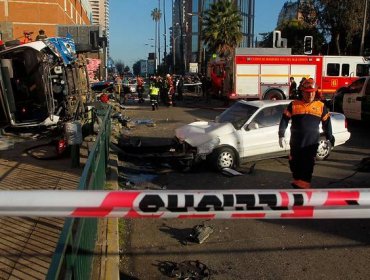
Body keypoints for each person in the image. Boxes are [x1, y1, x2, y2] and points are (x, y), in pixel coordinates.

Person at [278, 78, 335, 189]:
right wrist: (281, 134)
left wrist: (330, 138)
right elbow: (284, 119)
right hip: (296, 143)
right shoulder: (294, 105)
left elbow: (327, 123)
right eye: (307, 93)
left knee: (307, 168)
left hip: (311, 144)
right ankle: (298, 185)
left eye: (312, 92)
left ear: (316, 92)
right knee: (294, 164)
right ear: (302, 92)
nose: (310, 95)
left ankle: (303, 190)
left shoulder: (321, 106)